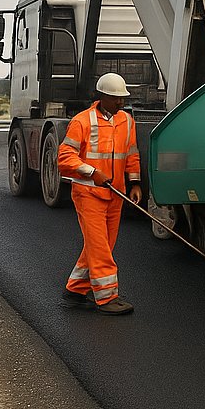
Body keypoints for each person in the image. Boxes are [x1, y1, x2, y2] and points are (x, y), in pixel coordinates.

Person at [57, 73, 142, 315]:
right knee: (100, 248)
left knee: (102, 245)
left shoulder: (126, 121)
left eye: (122, 99)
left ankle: (74, 291)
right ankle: (107, 298)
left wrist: (135, 183)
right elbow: (64, 158)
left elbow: (132, 155)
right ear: (102, 97)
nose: (121, 103)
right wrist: (92, 172)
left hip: (116, 194)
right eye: (116, 99)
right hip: (88, 193)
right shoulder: (82, 122)